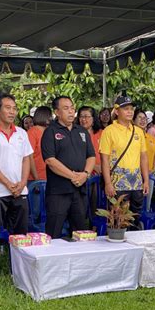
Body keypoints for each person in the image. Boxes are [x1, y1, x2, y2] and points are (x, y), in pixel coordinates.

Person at [0, 94, 32, 285]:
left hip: (20, 191)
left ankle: (17, 268)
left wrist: (23, 182)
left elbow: (27, 158)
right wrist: (7, 183)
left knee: (20, 233)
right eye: (8, 108)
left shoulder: (21, 133)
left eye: (14, 108)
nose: (12, 112)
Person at [41, 96, 95, 238]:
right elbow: (50, 161)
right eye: (66, 108)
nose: (71, 112)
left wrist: (85, 174)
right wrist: (73, 176)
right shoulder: (50, 132)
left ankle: (81, 261)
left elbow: (91, 156)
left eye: (72, 108)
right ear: (57, 112)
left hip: (79, 189)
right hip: (59, 192)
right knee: (54, 232)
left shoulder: (82, 131)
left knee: (81, 232)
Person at [100, 97, 149, 230]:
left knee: (135, 219)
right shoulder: (109, 131)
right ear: (117, 111)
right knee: (117, 221)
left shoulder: (138, 131)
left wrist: (146, 180)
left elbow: (143, 157)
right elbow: (104, 159)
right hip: (117, 184)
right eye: (125, 109)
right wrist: (108, 183)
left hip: (136, 183)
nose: (130, 112)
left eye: (131, 109)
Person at [28, 106, 52, 181]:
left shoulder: (49, 132)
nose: (51, 118)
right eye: (50, 116)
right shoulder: (32, 132)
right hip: (34, 179)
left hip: (48, 177)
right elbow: (29, 157)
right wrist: (36, 178)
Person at [76, 106, 102, 174]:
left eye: (86, 116)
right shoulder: (75, 134)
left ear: (93, 118)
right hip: (83, 173)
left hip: (102, 172)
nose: (83, 119)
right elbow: (75, 155)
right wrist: (94, 166)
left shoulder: (102, 133)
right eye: (81, 116)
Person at [134, 108, 155, 173]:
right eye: (139, 118)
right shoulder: (130, 137)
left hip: (150, 174)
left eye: (144, 118)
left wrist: (154, 169)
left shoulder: (150, 137)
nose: (143, 120)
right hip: (134, 174)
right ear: (133, 120)